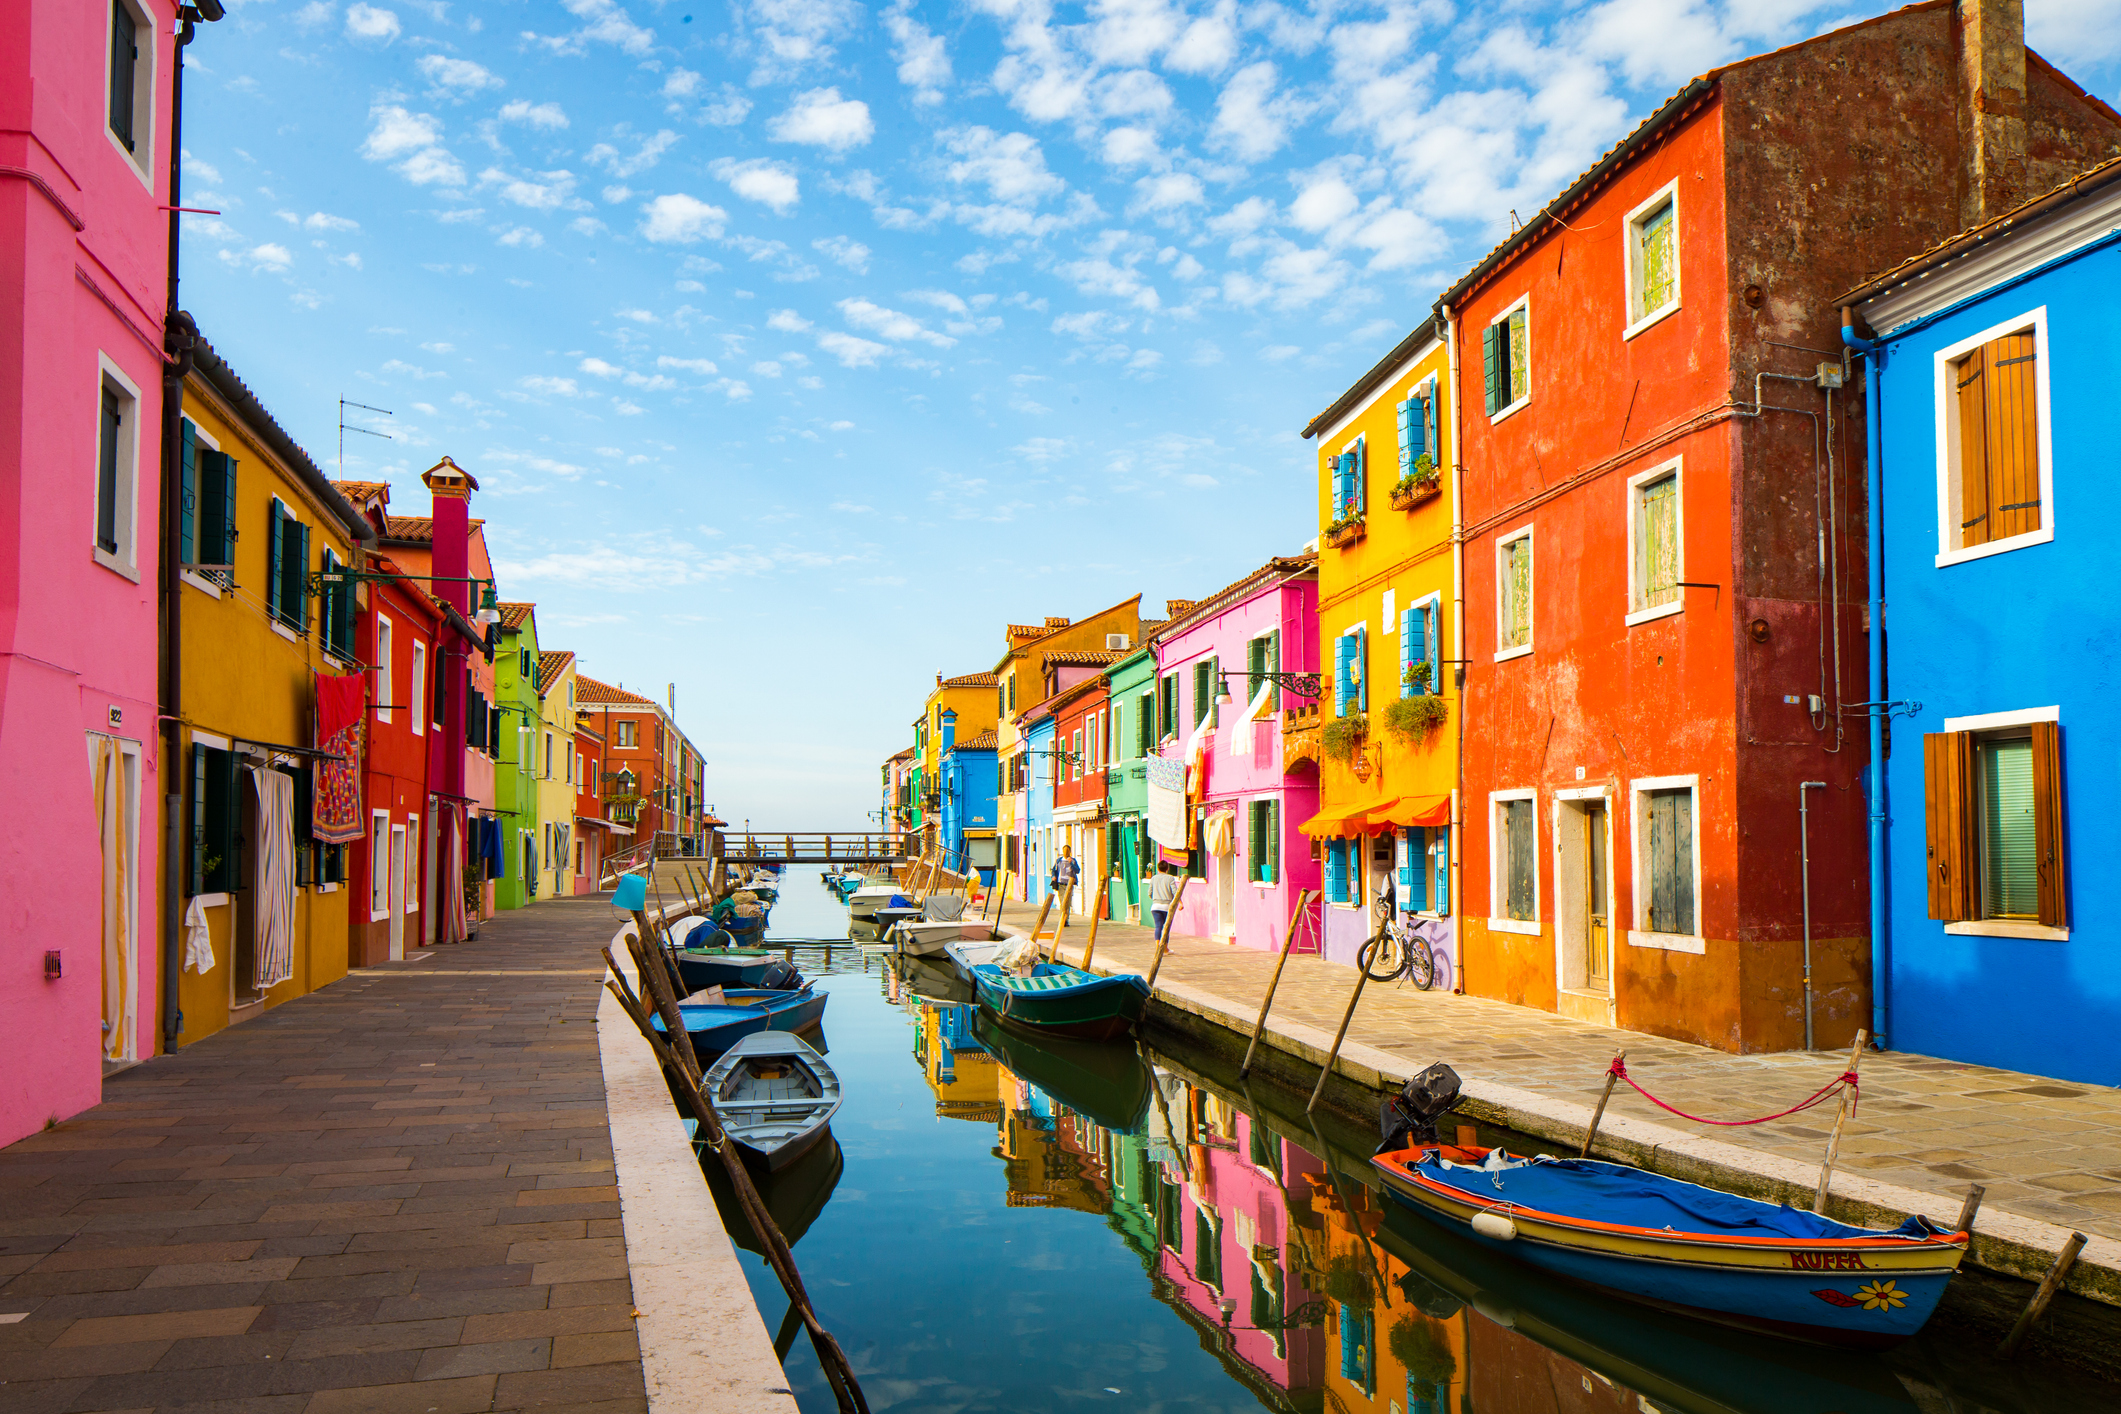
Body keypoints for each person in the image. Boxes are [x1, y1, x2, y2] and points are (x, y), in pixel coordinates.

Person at [1148, 860, 1181, 941]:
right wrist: (1180, 903)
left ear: (1158, 869)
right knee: (1166, 928)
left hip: (1155, 906)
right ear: (1167, 869)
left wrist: (1156, 898)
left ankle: (1157, 947)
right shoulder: (1170, 878)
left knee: (1158, 926)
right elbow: (1175, 891)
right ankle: (1165, 947)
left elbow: (1149, 893)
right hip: (1166, 907)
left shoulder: (1153, 878)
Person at [1050, 844, 1081, 924]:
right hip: (1061, 884)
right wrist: (1053, 876)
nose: (1066, 853)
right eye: (1065, 851)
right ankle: (1062, 919)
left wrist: (1071, 863)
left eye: (1067, 851)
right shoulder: (1059, 860)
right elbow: (1054, 870)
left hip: (1069, 884)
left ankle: (1066, 919)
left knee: (1067, 902)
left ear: (1070, 852)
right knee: (1062, 902)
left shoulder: (1073, 860)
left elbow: (1077, 870)